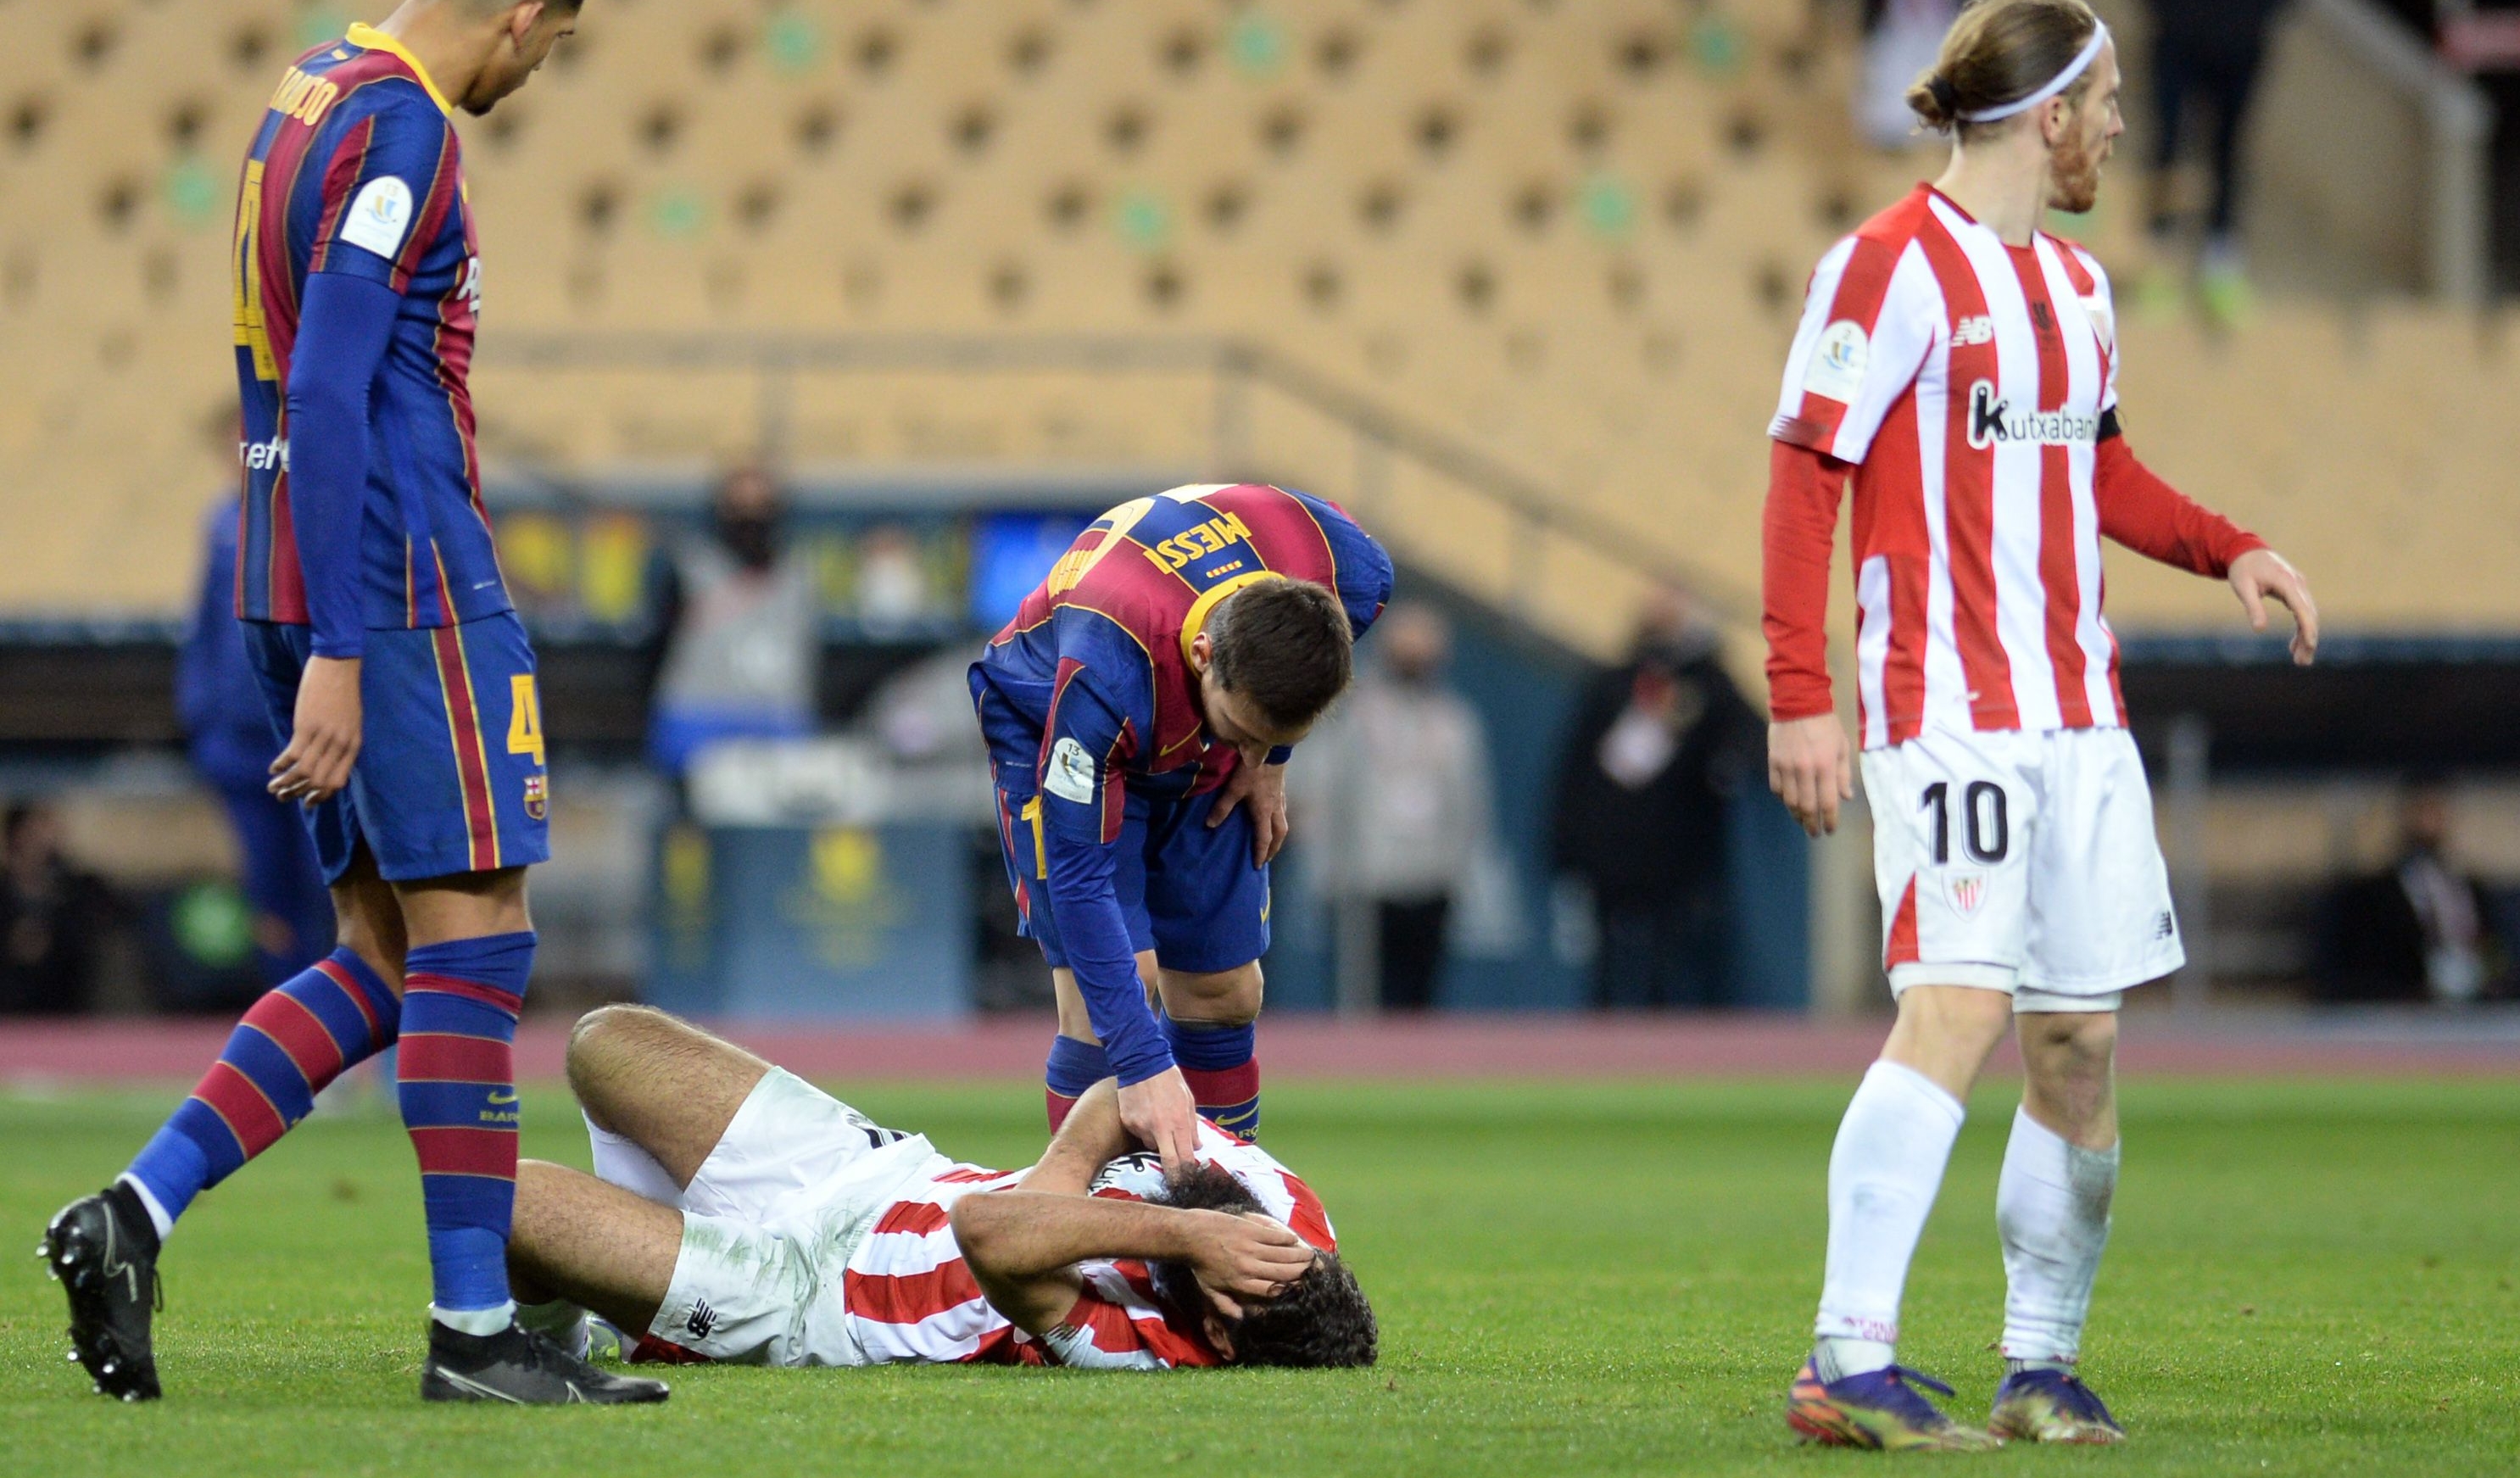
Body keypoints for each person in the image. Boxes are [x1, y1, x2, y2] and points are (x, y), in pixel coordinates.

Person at [42, 0, 666, 1408]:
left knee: (383, 957)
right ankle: (473, 1330)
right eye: (551, 35)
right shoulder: (400, 129)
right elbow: (327, 385)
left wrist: (313, 620)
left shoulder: (311, 86)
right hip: (398, 590)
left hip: (294, 566)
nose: (539, 63)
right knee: (479, 939)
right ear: (516, 8)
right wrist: (342, 638)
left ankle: (131, 1215)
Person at [1761, 0, 2318, 1448]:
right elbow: (1805, 473)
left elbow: (2102, 469)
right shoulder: (1880, 268)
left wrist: (2228, 546)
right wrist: (1799, 694)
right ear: (2046, 113)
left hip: (2081, 719)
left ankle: (2037, 1364)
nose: (2124, 126)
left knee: (2076, 1040)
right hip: (1943, 707)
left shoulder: (2075, 288)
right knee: (1956, 1003)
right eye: (2109, 99)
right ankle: (1844, 1352)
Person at [501, 1005, 1376, 1372]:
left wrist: (1187, 1239)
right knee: (603, 1042)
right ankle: (627, 1270)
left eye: (1228, 1266)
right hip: (867, 1167)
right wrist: (1061, 1180)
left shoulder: (1147, 1355)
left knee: (511, 1201)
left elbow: (987, 1228)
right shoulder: (1282, 1202)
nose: (1222, 1234)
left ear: (1218, 1342)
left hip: (811, 1295)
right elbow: (1121, 1097)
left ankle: (553, 1345)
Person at [969, 483, 1393, 1167]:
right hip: (1047, 724)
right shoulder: (1103, 672)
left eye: (1276, 737)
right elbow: (1081, 878)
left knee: (1226, 991)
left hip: (1189, 727)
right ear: (1204, 655)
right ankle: (1101, 1233)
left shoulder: (1344, 568)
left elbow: (1353, 603)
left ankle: (1215, 1213)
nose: (1252, 751)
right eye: (1245, 732)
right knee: (1111, 998)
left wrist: (1268, 757)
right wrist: (1144, 1064)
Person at [1549, 588, 1758, 1009]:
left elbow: (1747, 735)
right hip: (1612, 846)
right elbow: (1575, 770)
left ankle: (1668, 1057)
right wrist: (1567, 844)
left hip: (1677, 850)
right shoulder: (1613, 685)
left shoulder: (1706, 685)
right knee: (1607, 965)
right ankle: (1603, 1053)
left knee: (1672, 966)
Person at [1299, 602, 1495, 1011]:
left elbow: (1470, 803)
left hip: (1431, 879)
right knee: (1362, 998)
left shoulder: (1453, 721)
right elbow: (1318, 787)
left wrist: (1456, 869)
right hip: (1364, 879)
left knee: (1420, 999)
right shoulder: (1353, 712)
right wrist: (1329, 869)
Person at [176, 497, 332, 989]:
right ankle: (288, 1007)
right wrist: (200, 716)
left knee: (327, 882)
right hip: (241, 745)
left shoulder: (325, 504)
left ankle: (338, 1008)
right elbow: (204, 624)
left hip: (316, 738)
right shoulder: (223, 523)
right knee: (267, 889)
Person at [645, 462, 821, 780]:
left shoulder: (799, 574)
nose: (750, 519)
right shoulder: (689, 568)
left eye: (761, 507)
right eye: (739, 507)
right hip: (698, 722)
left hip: (777, 722)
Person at [2139, 0, 2290, 323]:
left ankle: (2221, 262)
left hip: (2242, 42)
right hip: (2177, 38)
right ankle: (2160, 256)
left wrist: (2258, 19)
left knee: (2229, 150)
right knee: (2168, 147)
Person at [2320, 784, 2506, 1004]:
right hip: (2401, 1016)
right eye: (2421, 810)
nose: (2428, 821)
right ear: (2404, 816)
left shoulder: (2470, 887)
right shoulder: (2369, 895)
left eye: (2436, 811)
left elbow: (2493, 950)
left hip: (2471, 1012)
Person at [0, 802, 119, 1016]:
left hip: (67, 1005)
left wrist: (52, 938)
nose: (51, 835)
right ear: (19, 833)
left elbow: (110, 917)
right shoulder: (5, 893)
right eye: (41, 825)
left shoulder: (77, 889)